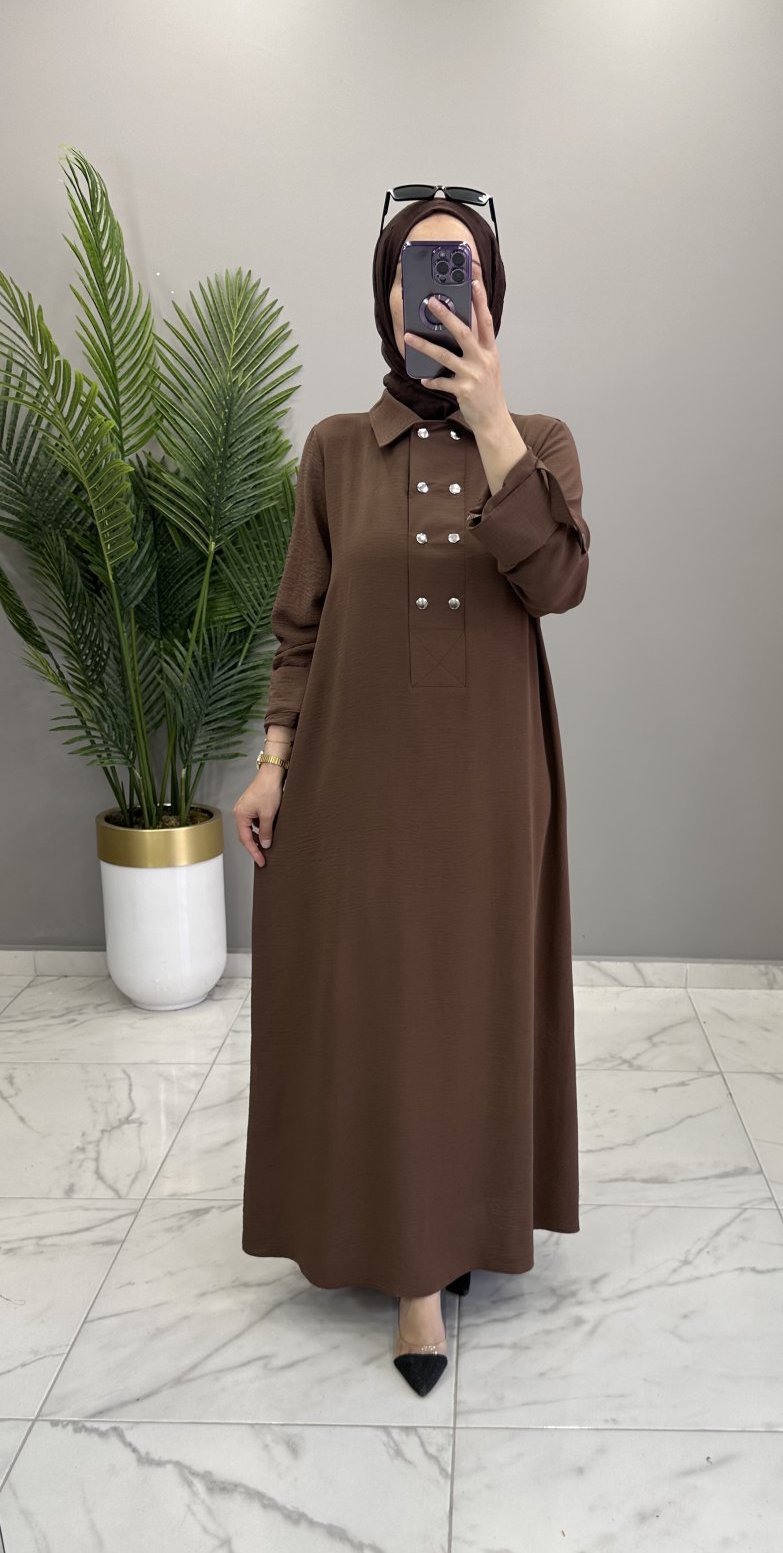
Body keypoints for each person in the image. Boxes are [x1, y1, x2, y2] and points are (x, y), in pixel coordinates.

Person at [234, 194, 590, 1395]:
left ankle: (465, 1223)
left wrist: (491, 422)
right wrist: (272, 763)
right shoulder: (336, 447)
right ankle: (412, 1278)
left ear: (491, 292)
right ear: (385, 295)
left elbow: (556, 582)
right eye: (415, 270)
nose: (435, 289)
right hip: (358, 781)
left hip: (490, 780)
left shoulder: (540, 439)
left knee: (472, 1004)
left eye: (459, 267)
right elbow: (300, 627)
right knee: (382, 1007)